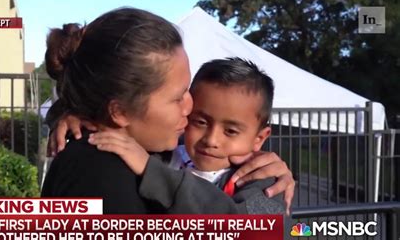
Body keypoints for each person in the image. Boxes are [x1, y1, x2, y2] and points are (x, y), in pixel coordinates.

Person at [42, 7, 295, 214]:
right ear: (119, 112)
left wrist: (74, 112)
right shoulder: (102, 176)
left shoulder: (151, 152)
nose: (190, 107)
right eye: (177, 98)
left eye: (230, 130)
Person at [88, 57, 287, 215]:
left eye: (231, 131)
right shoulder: (160, 153)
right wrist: (75, 117)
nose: (211, 140)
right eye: (200, 122)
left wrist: (153, 173)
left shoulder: (267, 184)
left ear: (260, 138)